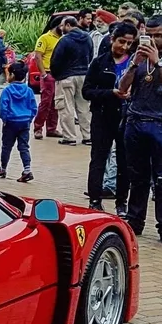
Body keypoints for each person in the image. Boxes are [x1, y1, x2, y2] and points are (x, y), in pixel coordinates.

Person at [118, 15, 162, 246]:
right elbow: (122, 87)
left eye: (158, 35)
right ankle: (135, 221)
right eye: (149, 34)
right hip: (136, 121)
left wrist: (158, 62)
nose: (153, 39)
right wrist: (134, 63)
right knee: (137, 177)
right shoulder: (138, 57)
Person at [83, 20, 137, 214]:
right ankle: (95, 200)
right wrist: (110, 93)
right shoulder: (99, 62)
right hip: (103, 115)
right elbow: (87, 91)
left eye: (129, 43)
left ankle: (121, 201)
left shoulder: (135, 64)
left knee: (124, 162)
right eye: (121, 41)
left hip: (127, 117)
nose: (124, 47)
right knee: (98, 158)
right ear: (112, 39)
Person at [49, 14, 93, 145]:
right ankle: (88, 136)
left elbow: (56, 60)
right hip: (84, 76)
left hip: (66, 77)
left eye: (63, 25)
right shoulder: (87, 38)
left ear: (68, 25)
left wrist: (56, 75)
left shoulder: (64, 40)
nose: (61, 28)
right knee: (84, 107)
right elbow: (90, 56)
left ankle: (69, 137)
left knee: (66, 107)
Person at [0, 60, 37, 183]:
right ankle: (27, 169)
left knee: (6, 146)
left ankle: (3, 168)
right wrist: (29, 118)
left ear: (11, 75)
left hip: (11, 122)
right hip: (24, 122)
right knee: (24, 147)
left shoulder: (7, 91)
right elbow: (34, 107)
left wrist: (4, 118)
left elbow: (3, 107)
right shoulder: (29, 91)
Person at [31, 16, 62, 139]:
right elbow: (38, 56)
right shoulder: (44, 38)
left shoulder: (61, 39)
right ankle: (38, 128)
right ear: (57, 26)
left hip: (58, 74)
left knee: (56, 103)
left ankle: (51, 129)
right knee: (46, 102)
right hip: (48, 73)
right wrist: (44, 74)